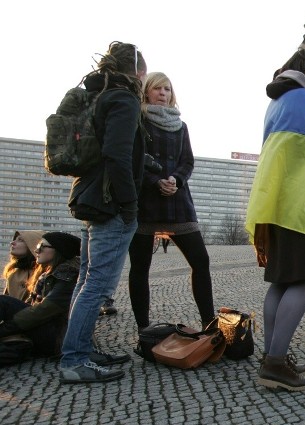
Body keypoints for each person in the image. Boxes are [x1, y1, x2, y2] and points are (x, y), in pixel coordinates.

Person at [245, 46, 305, 391]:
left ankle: (274, 355)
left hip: (278, 204)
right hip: (302, 208)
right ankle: (275, 363)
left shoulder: (277, 100)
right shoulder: (302, 97)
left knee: (282, 280)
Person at [59, 41, 147, 384]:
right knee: (96, 284)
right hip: (111, 203)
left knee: (86, 279)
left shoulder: (99, 95)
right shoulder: (123, 99)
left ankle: (79, 347)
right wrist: (129, 205)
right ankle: (74, 359)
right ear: (137, 71)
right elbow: (116, 154)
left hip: (90, 197)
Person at [127, 72, 215, 332]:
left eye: (167, 88)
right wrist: (156, 181)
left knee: (201, 260)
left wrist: (175, 180)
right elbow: (134, 159)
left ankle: (208, 324)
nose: (163, 93)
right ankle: (144, 329)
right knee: (140, 267)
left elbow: (187, 161)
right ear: (146, 92)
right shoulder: (137, 121)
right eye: (157, 88)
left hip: (179, 203)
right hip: (146, 203)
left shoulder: (181, 126)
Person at [0, 232, 81, 364]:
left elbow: (43, 310)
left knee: (3, 301)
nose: (37, 249)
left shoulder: (68, 276)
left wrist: (5, 329)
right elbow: (31, 305)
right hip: (49, 333)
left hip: (57, 338)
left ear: (59, 250)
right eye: (38, 245)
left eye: (42, 246)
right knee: (16, 346)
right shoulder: (49, 274)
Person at [3, 230, 44, 300]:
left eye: (20, 240)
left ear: (34, 244)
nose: (12, 243)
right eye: (15, 239)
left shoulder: (44, 273)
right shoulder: (14, 273)